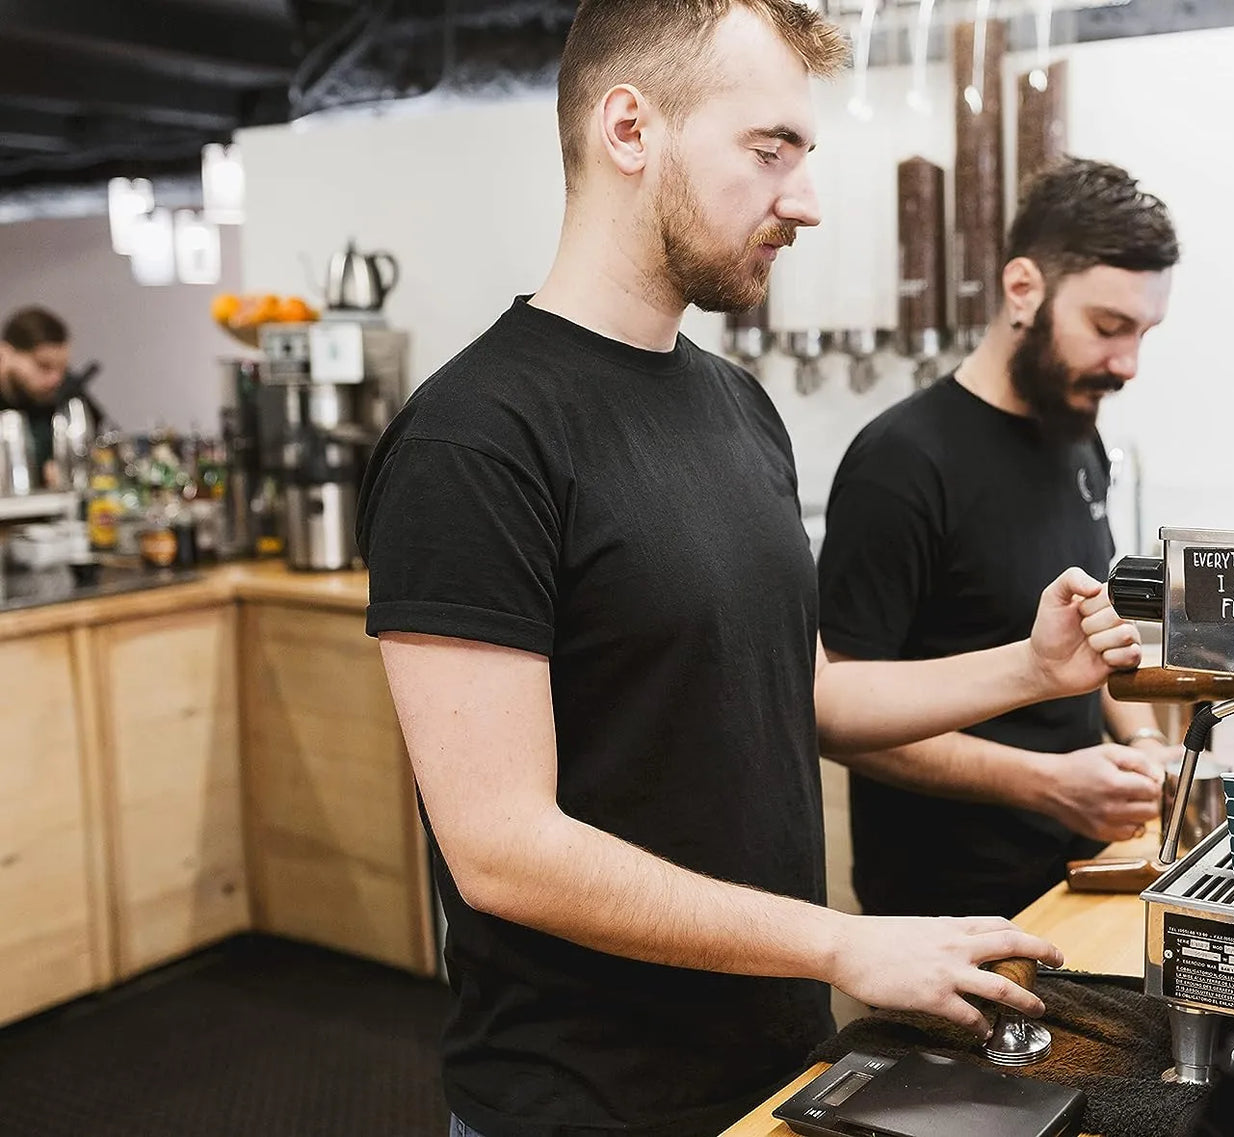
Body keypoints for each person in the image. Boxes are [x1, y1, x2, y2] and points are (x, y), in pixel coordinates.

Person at [357, 8, 1142, 1136]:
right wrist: (842, 941)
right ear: (630, 128)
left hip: (777, 1063)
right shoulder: (476, 438)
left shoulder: (735, 407)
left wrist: (1028, 666)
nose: (806, 200)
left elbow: (801, 688)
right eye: (769, 150)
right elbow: (501, 852)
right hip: (582, 1105)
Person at [816, 158, 1182, 922]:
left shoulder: (1073, 436)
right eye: (1108, 328)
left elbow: (1095, 625)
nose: (1128, 365)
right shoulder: (901, 462)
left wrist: (1145, 741)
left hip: (1074, 864)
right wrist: (1043, 780)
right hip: (948, 901)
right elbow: (838, 718)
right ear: (1023, 290)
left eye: (1143, 333)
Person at [0, 306, 72, 477]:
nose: (56, 379)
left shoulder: (64, 397)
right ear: (4, 354)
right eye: (43, 366)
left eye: (62, 368)